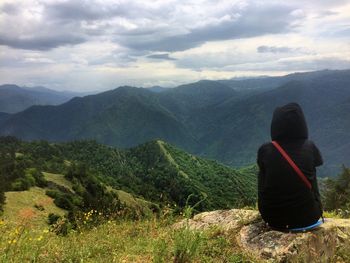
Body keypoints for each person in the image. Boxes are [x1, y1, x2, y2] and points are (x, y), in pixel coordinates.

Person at [257, 102, 323, 230]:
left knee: (263, 171)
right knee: (310, 169)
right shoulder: (310, 146)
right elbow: (318, 163)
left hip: (272, 218)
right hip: (309, 216)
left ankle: (271, 206)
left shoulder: (265, 149)